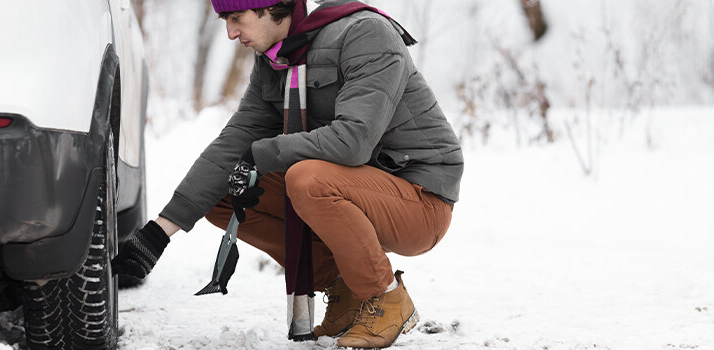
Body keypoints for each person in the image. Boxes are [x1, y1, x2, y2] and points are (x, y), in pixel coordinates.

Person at [112, 0, 464, 348]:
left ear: (272, 6)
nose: (231, 33)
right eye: (224, 20)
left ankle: (385, 296)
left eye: (236, 17)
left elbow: (353, 142)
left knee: (306, 179)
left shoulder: (365, 34)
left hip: (419, 198)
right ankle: (344, 287)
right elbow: (233, 145)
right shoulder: (275, 59)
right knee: (228, 189)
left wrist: (264, 153)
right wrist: (159, 232)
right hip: (353, 188)